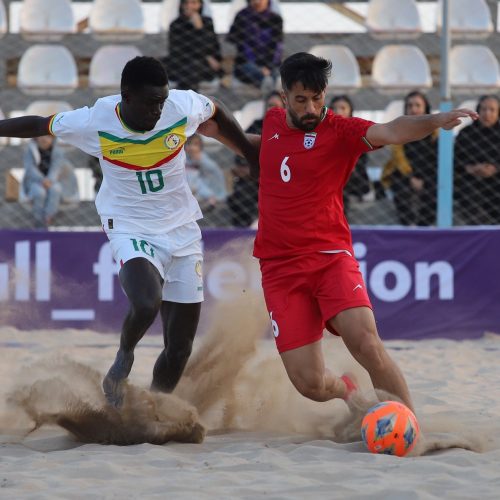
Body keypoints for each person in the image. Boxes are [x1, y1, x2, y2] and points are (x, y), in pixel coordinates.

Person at [205, 52, 477, 412]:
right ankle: (350, 392)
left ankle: (409, 426)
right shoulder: (272, 121)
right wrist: (222, 136)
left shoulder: (340, 130)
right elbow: (266, 147)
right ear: (284, 98)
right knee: (311, 383)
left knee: (365, 342)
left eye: (317, 99)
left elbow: (393, 129)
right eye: (301, 100)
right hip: (280, 269)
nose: (311, 108)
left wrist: (436, 119)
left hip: (330, 257)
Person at [0, 56, 257, 407]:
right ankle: (123, 357)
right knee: (147, 301)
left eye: (162, 100)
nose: (159, 109)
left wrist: (248, 153)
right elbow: (41, 124)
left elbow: (216, 110)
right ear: (126, 97)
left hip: (181, 228)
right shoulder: (95, 120)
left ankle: (154, 407)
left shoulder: (179, 106)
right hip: (129, 225)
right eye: (152, 102)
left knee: (180, 348)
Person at [227, 91, 284, 227]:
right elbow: (240, 163)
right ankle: (243, 232)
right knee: (241, 194)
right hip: (254, 178)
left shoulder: (292, 129)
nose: (273, 109)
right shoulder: (256, 126)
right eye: (270, 105)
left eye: (277, 106)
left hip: (281, 179)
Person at [381, 91, 438, 226]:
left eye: (418, 105)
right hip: (404, 173)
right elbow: (399, 159)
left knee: (433, 191)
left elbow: (436, 159)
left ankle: (424, 226)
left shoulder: (436, 132)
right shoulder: (399, 131)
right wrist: (411, 177)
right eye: (410, 106)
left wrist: (424, 179)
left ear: (425, 108)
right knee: (401, 189)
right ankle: (408, 225)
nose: (413, 109)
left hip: (430, 174)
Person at [454, 94, 500, 225]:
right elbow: (456, 158)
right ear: (477, 111)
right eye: (483, 109)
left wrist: (495, 168)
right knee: (468, 195)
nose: (487, 113)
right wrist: (469, 168)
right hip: (469, 179)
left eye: (492, 110)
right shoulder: (466, 133)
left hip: (496, 178)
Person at [166, 0, 223, 91]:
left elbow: (213, 46)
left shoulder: (207, 22)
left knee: (194, 66)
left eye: (194, 3)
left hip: (204, 65)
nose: (189, 6)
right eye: (186, 3)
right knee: (190, 66)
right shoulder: (176, 24)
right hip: (182, 63)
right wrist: (207, 56)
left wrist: (199, 27)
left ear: (200, 5)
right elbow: (180, 50)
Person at [227, 0, 283, 90]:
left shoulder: (275, 18)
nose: (257, 2)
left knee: (276, 75)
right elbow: (235, 41)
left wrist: (268, 66)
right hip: (246, 62)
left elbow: (276, 46)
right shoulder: (242, 16)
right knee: (260, 75)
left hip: (270, 63)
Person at [329, 96, 370, 216]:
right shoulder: (322, 133)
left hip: (352, 178)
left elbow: (362, 162)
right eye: (334, 108)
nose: (338, 112)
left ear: (350, 111)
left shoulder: (358, 132)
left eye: (342, 108)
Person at [22, 135, 65, 227]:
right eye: (41, 136)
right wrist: (42, 180)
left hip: (51, 182)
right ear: (36, 138)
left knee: (56, 189)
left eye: (48, 136)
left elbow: (56, 168)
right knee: (39, 192)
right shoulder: (31, 150)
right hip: (34, 181)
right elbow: (30, 168)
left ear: (53, 138)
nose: (44, 138)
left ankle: (49, 217)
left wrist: (49, 180)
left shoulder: (57, 151)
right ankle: (38, 221)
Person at [185, 133, 227, 210]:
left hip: (208, 184)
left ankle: (210, 198)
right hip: (194, 184)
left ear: (200, 147)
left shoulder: (202, 158)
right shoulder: (185, 159)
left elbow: (214, 171)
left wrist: (199, 160)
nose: (191, 147)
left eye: (195, 144)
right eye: (188, 144)